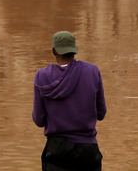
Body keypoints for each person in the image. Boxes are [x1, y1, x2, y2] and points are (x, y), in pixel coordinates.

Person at [33, 31, 107, 170]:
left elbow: (39, 120)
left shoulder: (41, 76)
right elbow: (101, 113)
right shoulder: (92, 71)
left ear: (54, 51)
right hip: (87, 149)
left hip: (56, 151)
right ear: (74, 50)